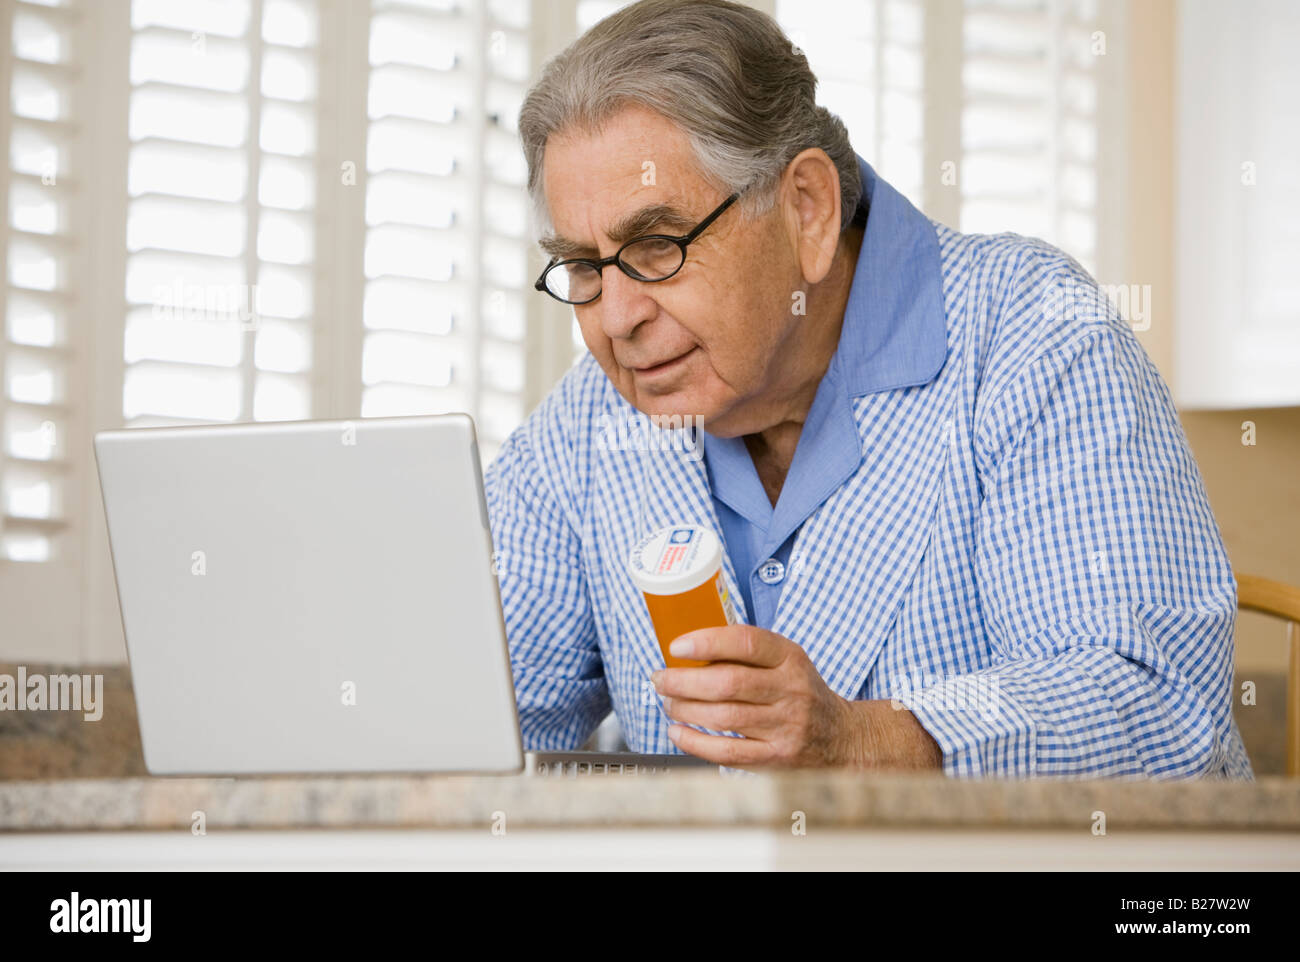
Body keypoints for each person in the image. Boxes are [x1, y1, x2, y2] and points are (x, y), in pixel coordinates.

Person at [484, 0, 1252, 778]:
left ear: (807, 210)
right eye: (584, 264)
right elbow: (480, 719)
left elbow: (1155, 703)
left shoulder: (1032, 330)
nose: (615, 317)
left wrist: (864, 740)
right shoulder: (591, 421)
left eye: (656, 246)